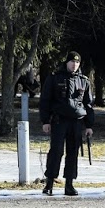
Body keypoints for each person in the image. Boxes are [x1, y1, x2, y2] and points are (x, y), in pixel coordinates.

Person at [38, 51, 94, 196]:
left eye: (77, 63)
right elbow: (45, 100)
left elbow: (88, 104)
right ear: (66, 62)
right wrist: (45, 121)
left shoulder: (84, 80)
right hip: (59, 120)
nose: (74, 65)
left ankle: (69, 184)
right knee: (56, 151)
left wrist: (89, 125)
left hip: (76, 122)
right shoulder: (55, 77)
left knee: (73, 153)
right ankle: (49, 183)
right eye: (71, 62)